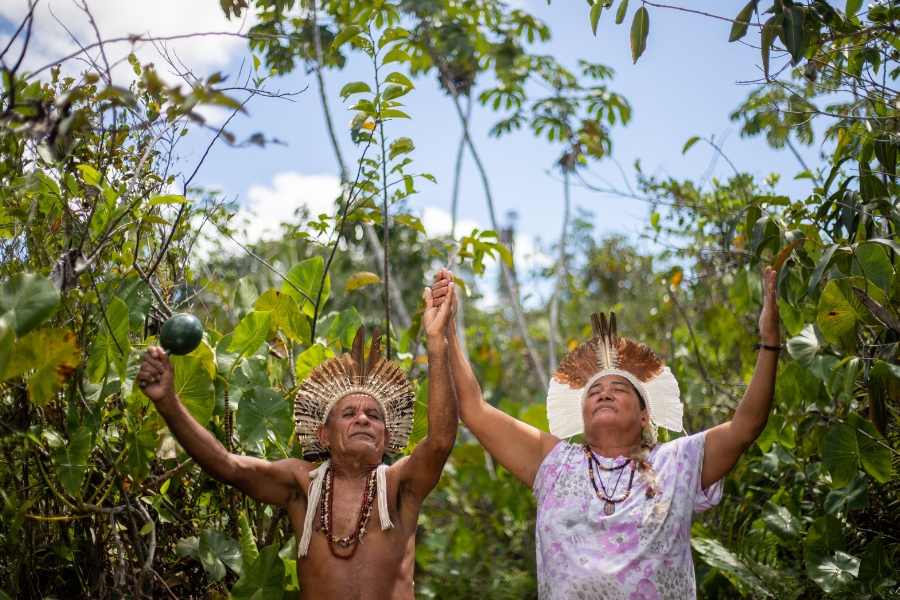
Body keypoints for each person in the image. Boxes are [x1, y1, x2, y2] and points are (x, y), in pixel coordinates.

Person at [432, 267, 780, 599]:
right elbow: (475, 409)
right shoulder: (553, 463)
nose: (603, 392)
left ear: (645, 416)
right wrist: (447, 330)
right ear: (583, 414)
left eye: (619, 388)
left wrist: (768, 343)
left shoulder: (678, 462)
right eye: (594, 391)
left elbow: (745, 427)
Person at [137, 281, 459, 599]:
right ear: (324, 435)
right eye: (349, 414)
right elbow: (228, 466)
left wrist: (436, 342)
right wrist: (167, 401)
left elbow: (440, 442)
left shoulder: (400, 484)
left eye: (373, 416)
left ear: (386, 437)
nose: (363, 419)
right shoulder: (301, 485)